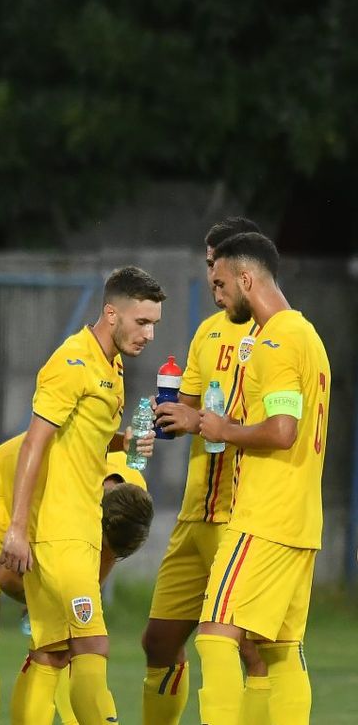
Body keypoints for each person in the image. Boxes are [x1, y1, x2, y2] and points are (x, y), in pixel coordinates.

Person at [0, 266, 163, 725]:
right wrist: (17, 526)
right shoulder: (72, 362)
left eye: (154, 324)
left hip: (80, 529)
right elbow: (35, 441)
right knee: (92, 645)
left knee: (50, 652)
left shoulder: (109, 365)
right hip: (62, 535)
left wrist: (123, 441)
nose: (149, 334)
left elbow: (80, 439)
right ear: (112, 314)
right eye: (142, 322)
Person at [193, 232, 330, 725]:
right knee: (280, 648)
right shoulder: (307, 337)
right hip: (302, 521)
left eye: (221, 282)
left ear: (247, 279)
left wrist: (224, 428)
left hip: (264, 516)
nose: (217, 293)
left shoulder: (271, 340)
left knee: (214, 635)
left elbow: (281, 431)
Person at [144, 217, 268, 723]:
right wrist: (166, 417)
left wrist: (203, 420)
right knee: (158, 641)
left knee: (248, 648)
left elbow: (278, 426)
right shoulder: (207, 332)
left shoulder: (276, 335)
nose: (209, 271)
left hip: (241, 517)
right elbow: (190, 408)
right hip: (196, 510)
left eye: (214, 261)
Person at [0, 437, 154, 725]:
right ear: (93, 518)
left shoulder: (131, 498)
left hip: (43, 510)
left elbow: (92, 574)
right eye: (103, 546)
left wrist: (61, 604)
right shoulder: (65, 505)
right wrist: (44, 597)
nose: (106, 556)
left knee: (60, 641)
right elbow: (5, 576)